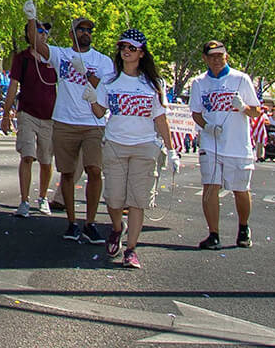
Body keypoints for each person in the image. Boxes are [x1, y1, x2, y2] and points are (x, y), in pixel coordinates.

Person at [90, 29, 174, 269]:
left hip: (145, 146)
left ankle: (131, 249)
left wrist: (171, 149)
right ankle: (117, 228)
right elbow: (99, 112)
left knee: (138, 200)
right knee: (115, 199)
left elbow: (160, 119)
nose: (126, 51)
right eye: (123, 47)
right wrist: (91, 98)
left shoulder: (153, 84)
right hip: (116, 144)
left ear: (141, 53)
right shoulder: (110, 80)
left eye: (132, 48)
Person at [30, 16, 113, 246]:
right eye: (81, 29)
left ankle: (91, 223)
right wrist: (32, 19)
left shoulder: (103, 61)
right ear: (72, 33)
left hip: (93, 123)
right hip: (64, 121)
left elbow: (105, 85)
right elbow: (36, 44)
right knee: (67, 173)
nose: (86, 32)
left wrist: (88, 76)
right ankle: (72, 222)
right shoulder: (62, 54)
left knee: (94, 170)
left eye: (89, 29)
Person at [188, 39, 262, 249]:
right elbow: (196, 113)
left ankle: (243, 227)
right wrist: (208, 127)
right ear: (205, 59)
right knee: (211, 187)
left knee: (240, 189)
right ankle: (213, 233)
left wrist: (243, 107)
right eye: (212, 57)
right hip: (212, 144)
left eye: (220, 56)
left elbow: (256, 111)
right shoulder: (199, 83)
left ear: (226, 56)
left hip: (237, 145)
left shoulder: (241, 79)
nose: (216, 60)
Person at [1, 15, 58, 217]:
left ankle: (42, 198)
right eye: (39, 31)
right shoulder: (22, 58)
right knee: (27, 156)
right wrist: (6, 114)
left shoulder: (54, 59)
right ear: (30, 34)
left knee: (45, 159)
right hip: (27, 113)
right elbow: (13, 86)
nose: (43, 35)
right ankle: (24, 201)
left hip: (50, 116)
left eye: (45, 32)